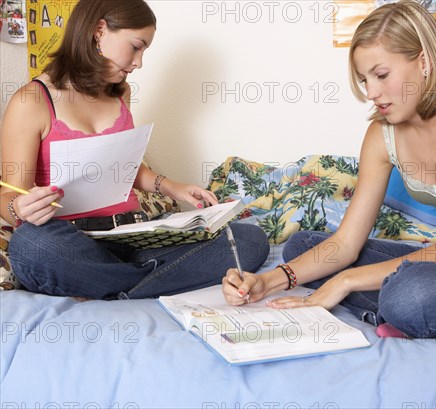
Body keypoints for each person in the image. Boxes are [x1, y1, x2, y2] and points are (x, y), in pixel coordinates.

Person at [222, 0, 436, 339]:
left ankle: (396, 309)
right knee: (302, 247)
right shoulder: (381, 134)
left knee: (410, 295)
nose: (371, 92)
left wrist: (345, 281)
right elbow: (345, 244)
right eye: (364, 79)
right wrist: (266, 282)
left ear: (425, 61)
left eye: (381, 75)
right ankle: (396, 313)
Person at [0, 0, 269, 300]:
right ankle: (149, 281)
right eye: (136, 47)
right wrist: (19, 208)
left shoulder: (120, 93)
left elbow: (123, 167)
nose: (139, 62)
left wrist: (175, 188)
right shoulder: (31, 101)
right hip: (72, 242)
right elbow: (8, 194)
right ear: (99, 31)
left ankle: (116, 287)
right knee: (30, 247)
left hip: (133, 238)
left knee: (250, 240)